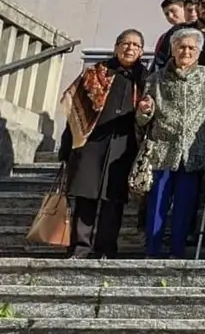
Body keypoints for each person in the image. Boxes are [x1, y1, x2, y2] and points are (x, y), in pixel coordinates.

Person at [137, 28, 205, 258]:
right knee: (158, 201)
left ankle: (177, 251)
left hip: (195, 150)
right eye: (181, 47)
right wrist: (145, 111)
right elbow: (143, 117)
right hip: (163, 149)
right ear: (172, 49)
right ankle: (153, 250)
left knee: (185, 204)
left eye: (191, 48)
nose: (186, 51)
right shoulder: (155, 79)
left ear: (199, 52)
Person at [59, 29, 147, 258]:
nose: (130, 49)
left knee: (114, 200)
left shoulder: (145, 79)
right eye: (125, 43)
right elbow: (74, 112)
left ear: (141, 51)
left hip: (123, 146)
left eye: (136, 45)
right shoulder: (95, 72)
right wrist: (66, 147)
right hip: (90, 144)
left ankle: (106, 248)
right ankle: (79, 247)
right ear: (116, 46)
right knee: (85, 197)